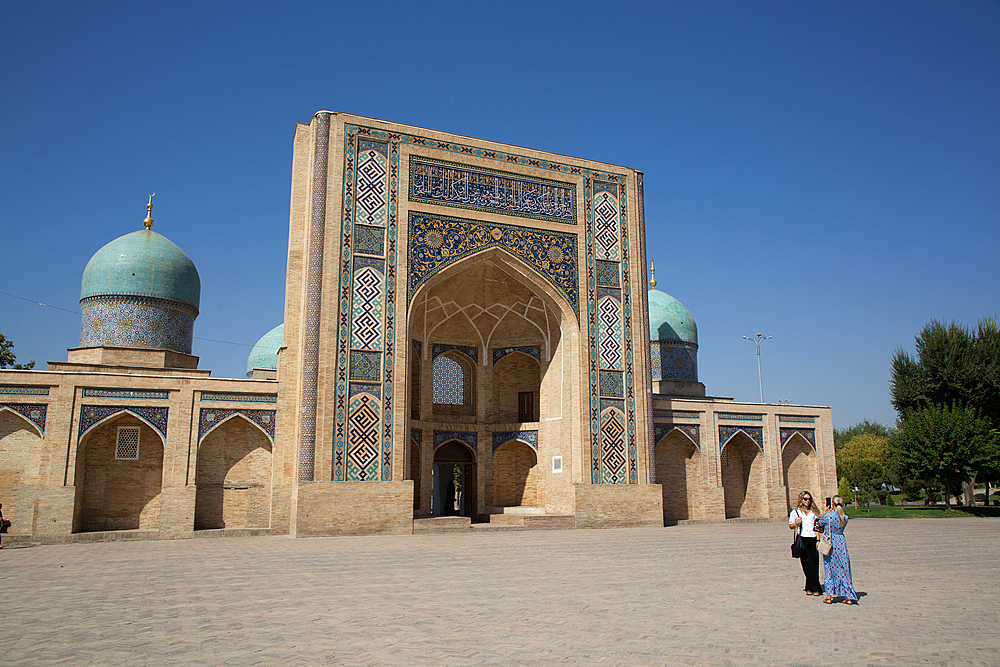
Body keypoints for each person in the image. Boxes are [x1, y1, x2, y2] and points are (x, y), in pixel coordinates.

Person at [818, 495, 858, 605]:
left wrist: (825, 511)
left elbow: (820, 524)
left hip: (830, 544)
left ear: (833, 504)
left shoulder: (828, 516)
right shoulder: (845, 517)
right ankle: (848, 597)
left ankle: (829, 596)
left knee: (829, 568)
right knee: (844, 569)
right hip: (841, 542)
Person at [789, 490, 822, 596]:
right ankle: (812, 587)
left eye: (809, 499)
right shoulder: (796, 512)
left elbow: (816, 527)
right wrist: (796, 523)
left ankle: (813, 588)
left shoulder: (814, 513)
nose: (808, 501)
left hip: (812, 539)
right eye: (805, 499)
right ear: (801, 500)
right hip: (802, 539)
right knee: (806, 565)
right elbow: (790, 526)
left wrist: (818, 540)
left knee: (814, 564)